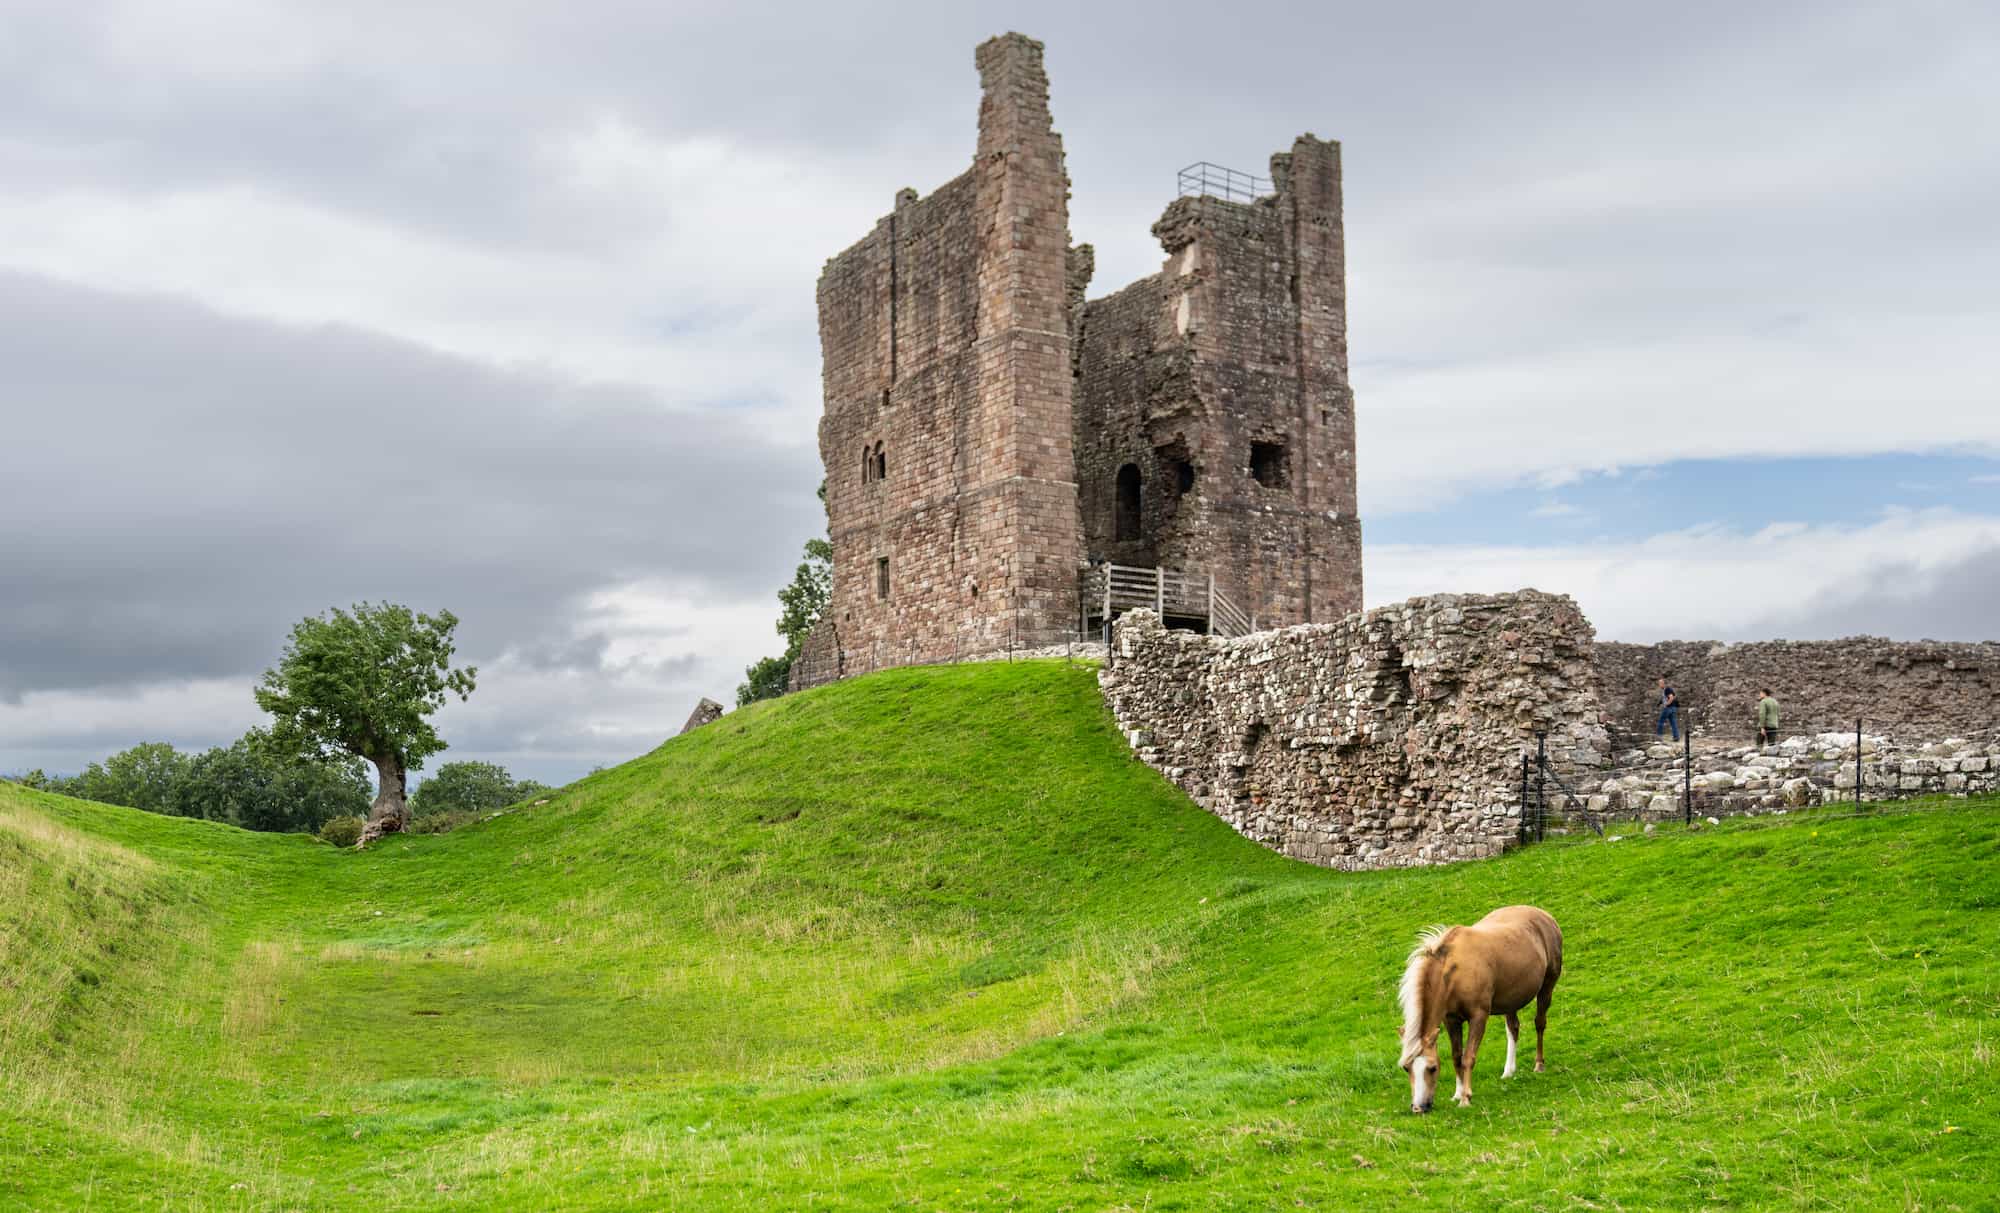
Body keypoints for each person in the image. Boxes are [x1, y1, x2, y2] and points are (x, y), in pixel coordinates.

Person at [1655, 676, 1679, 742]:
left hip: (1668, 708)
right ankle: (1676, 737)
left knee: (1660, 722)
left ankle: (1658, 737)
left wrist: (1666, 704)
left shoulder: (1667, 689)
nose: (1659, 685)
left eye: (1660, 683)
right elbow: (1665, 698)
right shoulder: (1666, 690)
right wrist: (1659, 703)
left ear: (1663, 683)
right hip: (1673, 708)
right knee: (1673, 723)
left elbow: (1671, 697)